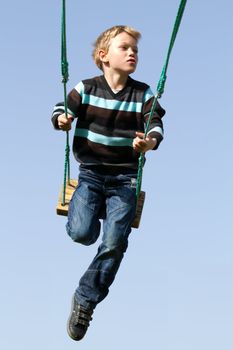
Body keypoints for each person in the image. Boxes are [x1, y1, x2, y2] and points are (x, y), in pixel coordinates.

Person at [51, 25, 165, 341]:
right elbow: (63, 106)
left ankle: (85, 299)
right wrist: (62, 119)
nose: (132, 53)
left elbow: (156, 125)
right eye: (125, 48)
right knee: (81, 233)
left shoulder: (143, 94)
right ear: (104, 56)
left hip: (125, 180)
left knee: (114, 243)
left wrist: (148, 144)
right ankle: (91, 209)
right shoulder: (86, 88)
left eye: (136, 50)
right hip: (90, 173)